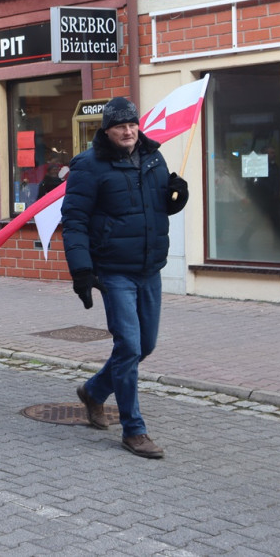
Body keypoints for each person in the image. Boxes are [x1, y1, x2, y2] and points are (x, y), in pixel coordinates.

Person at [61, 96, 188, 460]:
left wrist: (176, 197)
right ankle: (134, 430)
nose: (129, 130)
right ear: (107, 129)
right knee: (129, 345)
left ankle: (94, 391)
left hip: (149, 267)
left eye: (132, 124)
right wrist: (82, 270)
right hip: (113, 270)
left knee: (145, 345)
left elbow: (157, 205)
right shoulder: (89, 166)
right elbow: (75, 221)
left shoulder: (153, 156)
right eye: (121, 125)